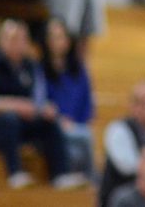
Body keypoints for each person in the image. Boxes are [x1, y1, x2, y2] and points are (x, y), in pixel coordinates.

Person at [0, 19, 85, 189]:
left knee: (49, 122)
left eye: (21, 38)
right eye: (12, 38)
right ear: (1, 39)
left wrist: (44, 109)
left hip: (18, 127)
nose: (17, 43)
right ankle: (15, 173)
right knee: (8, 118)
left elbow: (38, 100)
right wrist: (17, 105)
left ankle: (61, 175)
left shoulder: (31, 66)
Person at [41, 16, 96, 178]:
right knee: (83, 139)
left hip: (77, 127)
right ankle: (93, 181)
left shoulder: (79, 71)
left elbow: (87, 105)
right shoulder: (39, 70)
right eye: (53, 37)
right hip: (52, 127)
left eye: (61, 37)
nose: (58, 42)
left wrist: (76, 123)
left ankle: (86, 184)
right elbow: (41, 103)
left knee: (78, 148)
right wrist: (59, 120)